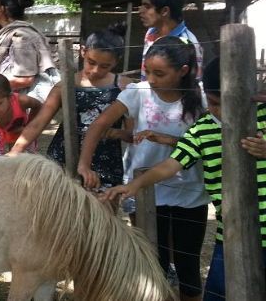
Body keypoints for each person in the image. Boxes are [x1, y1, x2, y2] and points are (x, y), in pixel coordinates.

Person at [102, 57, 266, 301]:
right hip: (229, 231)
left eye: (225, 104)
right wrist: (133, 185)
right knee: (218, 293)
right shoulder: (202, 129)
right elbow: (170, 165)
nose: (217, 111)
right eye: (212, 103)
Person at [79, 36, 209, 301]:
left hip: (191, 192)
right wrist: (84, 163)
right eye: (148, 71)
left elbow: (209, 141)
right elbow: (99, 125)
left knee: (188, 265)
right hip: (148, 193)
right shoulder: (138, 93)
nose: (151, 78)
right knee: (153, 264)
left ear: (183, 71)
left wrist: (168, 139)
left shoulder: (202, 99)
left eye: (159, 73)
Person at [9, 24, 133, 189]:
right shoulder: (64, 85)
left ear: (116, 62)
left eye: (104, 66)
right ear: (83, 51)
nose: (95, 70)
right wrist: (14, 152)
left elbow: (132, 134)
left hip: (105, 163)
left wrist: (116, 133)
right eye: (91, 62)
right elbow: (38, 123)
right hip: (63, 159)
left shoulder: (125, 87)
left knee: (103, 212)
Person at [139, 0, 203, 80]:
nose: (140, 10)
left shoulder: (188, 43)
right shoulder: (150, 33)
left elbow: (194, 85)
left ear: (164, 11)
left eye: (147, 6)